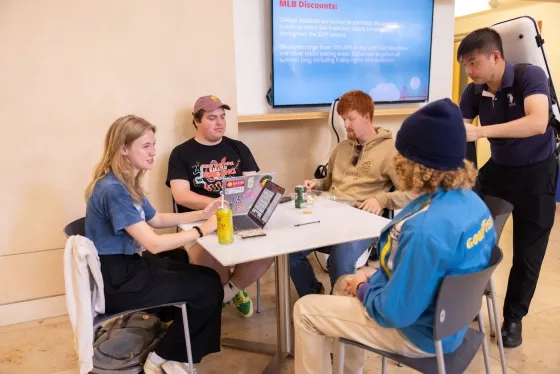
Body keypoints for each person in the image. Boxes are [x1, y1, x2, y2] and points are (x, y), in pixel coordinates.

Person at [292, 98, 496, 374]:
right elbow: (419, 272)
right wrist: (368, 276)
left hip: (416, 333)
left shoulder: (425, 229)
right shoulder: (474, 205)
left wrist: (365, 289)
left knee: (305, 311)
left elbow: (395, 312)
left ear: (415, 162)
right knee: (342, 282)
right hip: (448, 322)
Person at [84, 114, 224, 374]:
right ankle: (164, 357)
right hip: (117, 280)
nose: (153, 152)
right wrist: (201, 230)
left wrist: (202, 214)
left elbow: (156, 219)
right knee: (207, 285)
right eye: (145, 146)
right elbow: (154, 244)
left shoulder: (125, 181)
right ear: (123, 149)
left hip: (122, 268)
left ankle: (171, 337)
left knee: (184, 261)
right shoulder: (114, 190)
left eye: (154, 145)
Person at [457, 27, 557, 348]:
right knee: (472, 240)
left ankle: (513, 318)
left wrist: (483, 131)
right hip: (498, 171)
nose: (469, 71)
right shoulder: (473, 91)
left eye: (473, 63)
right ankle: (466, 302)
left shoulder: (530, 76)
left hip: (537, 174)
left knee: (528, 253)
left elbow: (537, 121)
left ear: (495, 57)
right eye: (465, 66)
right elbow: (462, 133)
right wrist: (466, 181)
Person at [289, 90, 413, 296]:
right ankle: (314, 295)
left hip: (361, 222)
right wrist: (316, 184)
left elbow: (411, 193)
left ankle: (338, 311)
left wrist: (381, 199)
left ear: (367, 117)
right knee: (292, 252)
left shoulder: (392, 151)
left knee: (340, 259)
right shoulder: (341, 148)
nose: (346, 124)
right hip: (329, 214)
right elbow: (328, 181)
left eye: (351, 119)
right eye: (343, 119)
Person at [166, 94, 274, 318]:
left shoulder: (238, 148)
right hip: (199, 223)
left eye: (223, 117)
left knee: (268, 252)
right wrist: (213, 204)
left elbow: (252, 185)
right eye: (212, 117)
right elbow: (180, 195)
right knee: (211, 256)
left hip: (238, 216)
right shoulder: (181, 153)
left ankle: (227, 293)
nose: (220, 123)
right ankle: (231, 288)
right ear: (196, 121)